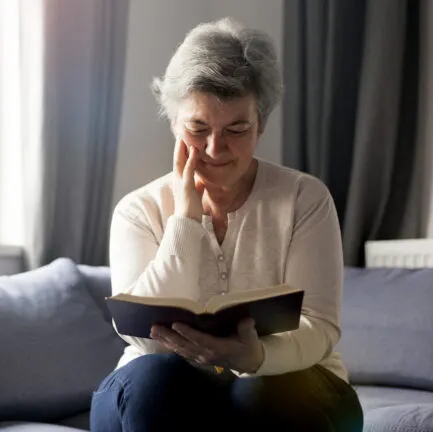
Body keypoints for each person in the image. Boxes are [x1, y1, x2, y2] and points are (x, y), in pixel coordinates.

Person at [90, 18, 364, 432]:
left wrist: (254, 360)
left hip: (290, 383)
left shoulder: (305, 198)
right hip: (163, 390)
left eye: (237, 129)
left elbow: (320, 326)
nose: (215, 149)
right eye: (198, 129)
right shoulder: (138, 210)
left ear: (262, 124)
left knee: (262, 392)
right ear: (173, 124)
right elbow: (141, 337)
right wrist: (185, 221)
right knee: (155, 381)